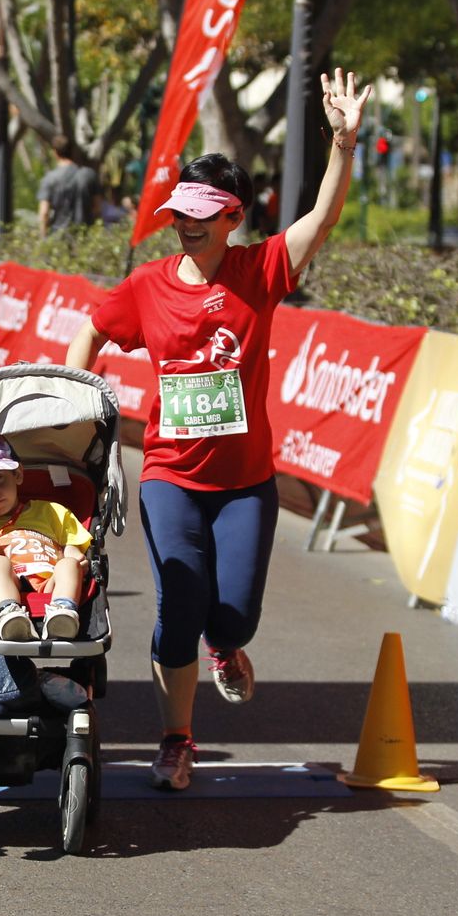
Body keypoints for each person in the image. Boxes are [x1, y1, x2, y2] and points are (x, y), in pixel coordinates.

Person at [65, 67, 373, 791]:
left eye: (203, 211)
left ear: (232, 214)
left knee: (230, 615)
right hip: (170, 473)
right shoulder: (147, 286)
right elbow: (90, 329)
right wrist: (76, 400)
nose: (187, 222)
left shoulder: (259, 269)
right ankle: (177, 738)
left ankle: (225, 648)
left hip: (245, 484)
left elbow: (323, 218)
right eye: (181, 211)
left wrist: (343, 142)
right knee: (180, 601)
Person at [0, 437, 90, 642]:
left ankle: (63, 612)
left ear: (18, 475)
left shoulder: (51, 511)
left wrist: (73, 553)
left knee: (69, 564)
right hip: (10, 581)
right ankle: (9, 612)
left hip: (51, 583)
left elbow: (72, 542)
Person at [37, 135, 100, 236]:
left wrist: (43, 239)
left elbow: (44, 213)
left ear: (55, 152)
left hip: (58, 239)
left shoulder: (49, 179)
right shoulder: (89, 175)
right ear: (72, 151)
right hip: (84, 238)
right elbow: (97, 209)